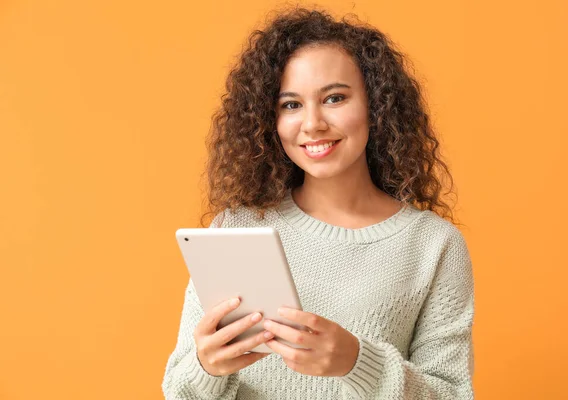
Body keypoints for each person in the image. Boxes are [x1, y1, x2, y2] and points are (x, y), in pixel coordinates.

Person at [162, 6, 475, 400]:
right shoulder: (236, 228)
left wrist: (356, 362)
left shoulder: (433, 246)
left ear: (376, 107)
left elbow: (452, 395)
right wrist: (207, 368)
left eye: (334, 98)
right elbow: (179, 392)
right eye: (291, 105)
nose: (312, 124)